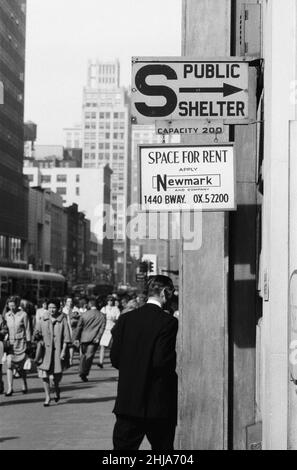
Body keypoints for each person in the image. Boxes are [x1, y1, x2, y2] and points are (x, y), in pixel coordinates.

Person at [110, 275, 178, 451]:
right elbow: (162, 362)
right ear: (164, 292)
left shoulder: (126, 319)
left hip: (128, 402)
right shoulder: (168, 322)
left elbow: (115, 359)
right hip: (157, 404)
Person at [34, 299, 71, 406]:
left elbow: (66, 337)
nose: (52, 310)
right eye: (50, 307)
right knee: (44, 375)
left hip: (58, 352)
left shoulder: (63, 319)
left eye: (54, 307)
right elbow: (36, 334)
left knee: (56, 377)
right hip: (45, 352)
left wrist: (63, 351)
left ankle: (56, 388)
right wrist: (36, 335)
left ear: (58, 308)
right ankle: (47, 396)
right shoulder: (43, 318)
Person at [73, 297, 106, 382]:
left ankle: (81, 370)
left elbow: (79, 327)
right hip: (94, 339)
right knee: (89, 356)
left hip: (84, 338)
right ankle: (84, 372)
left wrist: (76, 338)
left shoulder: (84, 314)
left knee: (83, 355)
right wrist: (98, 337)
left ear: (90, 305)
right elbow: (102, 328)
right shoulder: (102, 315)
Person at [4, 297, 32, 396]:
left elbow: (28, 329)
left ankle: (24, 383)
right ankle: (10, 388)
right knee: (9, 365)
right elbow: (4, 328)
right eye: (9, 305)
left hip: (21, 344)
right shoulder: (7, 315)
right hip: (10, 345)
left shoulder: (23, 315)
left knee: (21, 367)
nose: (11, 307)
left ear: (17, 304)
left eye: (13, 305)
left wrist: (29, 343)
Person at [98, 295, 120, 368]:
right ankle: (101, 362)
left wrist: (114, 319)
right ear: (107, 301)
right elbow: (100, 318)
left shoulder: (116, 309)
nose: (110, 302)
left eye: (111, 300)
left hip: (113, 329)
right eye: (109, 300)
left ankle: (112, 361)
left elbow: (118, 318)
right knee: (102, 345)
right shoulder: (104, 308)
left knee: (112, 347)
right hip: (105, 328)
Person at [62, 296, 79, 366]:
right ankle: (65, 357)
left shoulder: (75, 309)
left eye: (71, 301)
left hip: (72, 328)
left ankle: (71, 359)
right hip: (64, 328)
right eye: (68, 301)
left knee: (71, 345)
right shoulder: (63, 310)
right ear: (65, 302)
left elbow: (78, 318)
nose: (70, 303)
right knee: (65, 343)